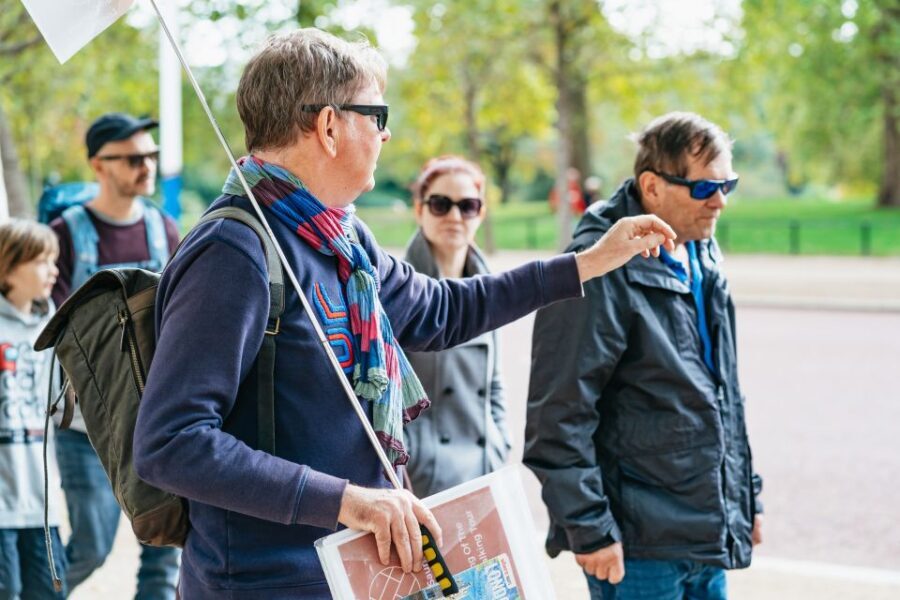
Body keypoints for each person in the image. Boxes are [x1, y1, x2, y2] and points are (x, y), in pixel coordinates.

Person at [131, 28, 675, 599]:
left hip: (353, 577)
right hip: (264, 584)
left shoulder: (343, 237)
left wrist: (586, 263)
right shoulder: (232, 251)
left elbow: (440, 310)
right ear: (329, 126)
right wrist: (348, 501)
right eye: (376, 114)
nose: (386, 133)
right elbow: (172, 442)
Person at [524, 111, 763, 600]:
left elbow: (723, 393)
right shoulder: (597, 264)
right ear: (651, 186)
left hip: (704, 538)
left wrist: (745, 497)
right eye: (703, 188)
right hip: (636, 550)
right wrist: (588, 529)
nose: (719, 201)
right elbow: (558, 413)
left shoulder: (702, 251)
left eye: (728, 185)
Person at [49, 112, 181, 598]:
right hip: (86, 424)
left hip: (153, 417)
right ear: (98, 165)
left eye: (150, 156)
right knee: (91, 544)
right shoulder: (64, 235)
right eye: (131, 159)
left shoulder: (164, 229)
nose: (145, 166)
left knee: (165, 546)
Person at [402, 155, 510, 497]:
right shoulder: (398, 288)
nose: (453, 216)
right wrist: (412, 461)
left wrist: (498, 445)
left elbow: (493, 382)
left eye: (468, 206)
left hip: (481, 473)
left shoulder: (489, 288)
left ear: (481, 213)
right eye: (440, 204)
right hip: (421, 481)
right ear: (419, 209)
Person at [0, 219, 67, 599]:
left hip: (39, 503)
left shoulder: (50, 323)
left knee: (51, 592)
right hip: (2, 503)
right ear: (8, 267)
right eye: (42, 261)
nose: (53, 271)